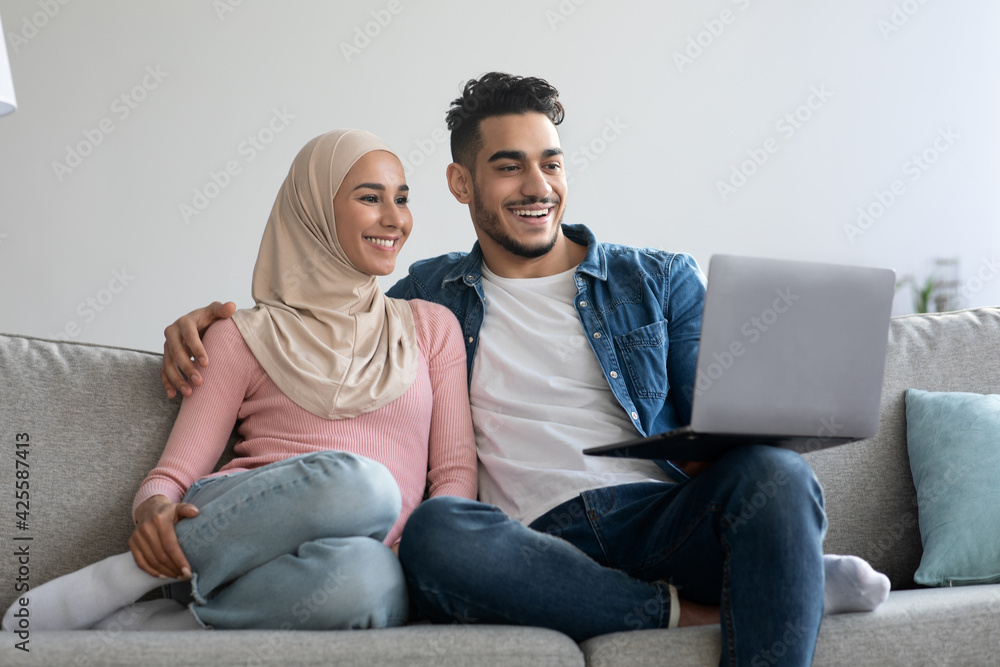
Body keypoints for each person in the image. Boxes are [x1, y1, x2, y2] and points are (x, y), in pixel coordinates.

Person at [155, 75, 889, 664]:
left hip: (656, 519)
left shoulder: (657, 278)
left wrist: (759, 424)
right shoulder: (427, 300)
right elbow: (322, 307)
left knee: (777, 475)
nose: (537, 184)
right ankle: (720, 601)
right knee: (437, 530)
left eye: (551, 161)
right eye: (508, 166)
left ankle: (754, 580)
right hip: (525, 544)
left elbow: (718, 412)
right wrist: (212, 319)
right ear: (460, 182)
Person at [2, 129, 477, 633]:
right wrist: (154, 515)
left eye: (401, 199)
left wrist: (424, 550)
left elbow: (454, 475)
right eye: (369, 198)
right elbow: (172, 477)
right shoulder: (240, 334)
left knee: (373, 584)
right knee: (367, 486)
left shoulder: (431, 329)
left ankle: (173, 628)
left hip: (331, 570)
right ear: (313, 209)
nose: (394, 218)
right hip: (234, 532)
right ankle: (130, 575)